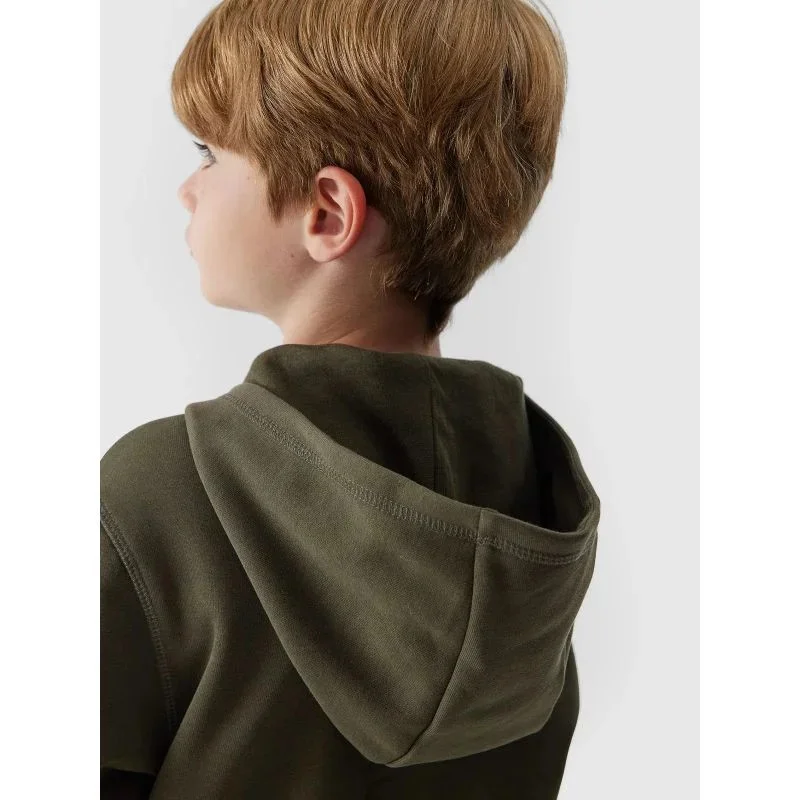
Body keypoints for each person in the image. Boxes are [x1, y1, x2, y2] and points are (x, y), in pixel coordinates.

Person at [100, 0, 601, 797]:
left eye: (210, 154)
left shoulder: (160, 495)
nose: (188, 191)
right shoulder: (524, 511)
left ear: (327, 213)